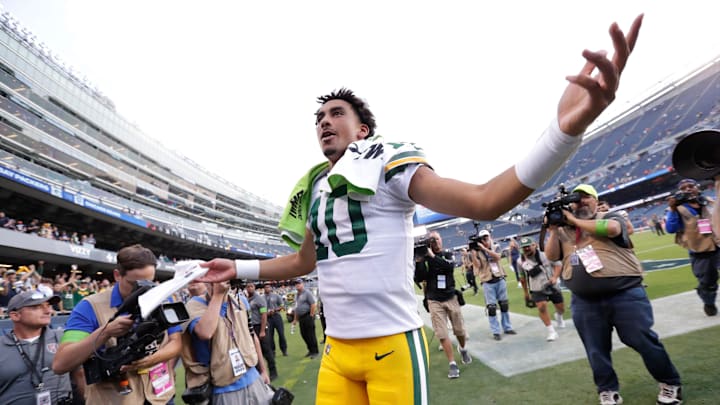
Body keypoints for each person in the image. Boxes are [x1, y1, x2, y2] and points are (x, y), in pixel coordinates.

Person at [197, 16, 643, 404]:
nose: (325, 122)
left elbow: (485, 200)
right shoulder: (314, 188)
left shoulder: (387, 163)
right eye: (319, 119)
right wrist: (235, 267)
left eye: (336, 113)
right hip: (336, 350)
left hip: (390, 344)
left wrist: (563, 132)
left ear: (363, 129)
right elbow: (303, 261)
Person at [545, 184, 682, 405]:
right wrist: (553, 230)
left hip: (624, 293)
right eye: (575, 200)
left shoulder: (611, 215)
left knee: (643, 340)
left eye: (585, 198)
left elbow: (612, 230)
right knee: (596, 349)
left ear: (595, 200)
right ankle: (607, 389)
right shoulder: (563, 229)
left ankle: (669, 382)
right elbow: (552, 256)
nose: (579, 202)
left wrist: (574, 221)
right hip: (584, 301)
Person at [53, 244, 182, 404]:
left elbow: (176, 342)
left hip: (160, 396)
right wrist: (105, 332)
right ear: (117, 275)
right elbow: (61, 363)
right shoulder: (89, 307)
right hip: (114, 398)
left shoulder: (163, 300)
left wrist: (152, 359)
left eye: (149, 283)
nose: (143, 291)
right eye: (135, 285)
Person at [180, 281, 272, 404]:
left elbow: (251, 335)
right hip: (223, 386)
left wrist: (263, 370)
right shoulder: (194, 305)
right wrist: (218, 295)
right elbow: (205, 332)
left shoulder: (239, 301)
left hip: (252, 377)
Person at [0, 289, 78, 404]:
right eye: (36, 307)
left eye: (48, 306)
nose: (48, 311)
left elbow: (80, 377)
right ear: (15, 315)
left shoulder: (64, 338)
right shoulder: (2, 346)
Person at [414, 231, 472, 379]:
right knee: (441, 332)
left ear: (441, 240)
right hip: (434, 299)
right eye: (432, 241)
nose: (435, 243)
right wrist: (420, 260)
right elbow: (419, 278)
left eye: (437, 239)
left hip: (451, 297)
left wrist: (431, 256)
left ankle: (463, 349)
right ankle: (452, 363)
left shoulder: (447, 254)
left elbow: (448, 268)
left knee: (459, 330)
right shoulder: (425, 258)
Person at [665, 178, 719, 316]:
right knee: (708, 283)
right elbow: (671, 229)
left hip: (718, 243)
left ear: (698, 187)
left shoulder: (709, 202)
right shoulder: (678, 209)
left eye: (691, 186)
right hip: (701, 251)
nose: (688, 189)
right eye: (683, 188)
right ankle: (709, 302)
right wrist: (672, 209)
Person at [517, 236, 566, 342]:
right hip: (537, 288)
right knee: (541, 307)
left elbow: (558, 265)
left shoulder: (546, 255)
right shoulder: (520, 262)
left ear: (534, 245)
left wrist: (555, 277)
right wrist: (525, 293)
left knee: (561, 308)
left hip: (552, 285)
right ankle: (551, 331)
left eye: (528, 246)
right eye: (524, 247)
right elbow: (522, 278)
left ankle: (559, 316)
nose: (526, 249)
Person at [470, 229, 516, 340]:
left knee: (504, 304)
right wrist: (473, 254)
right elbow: (478, 266)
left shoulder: (496, 246)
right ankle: (496, 331)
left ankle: (507, 327)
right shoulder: (477, 251)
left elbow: (497, 257)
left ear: (490, 237)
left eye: (486, 237)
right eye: (483, 238)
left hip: (499, 278)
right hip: (487, 281)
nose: (485, 240)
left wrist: (485, 248)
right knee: (491, 307)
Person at [246, 282, 278, 380]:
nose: (249, 288)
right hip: (252, 327)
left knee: (266, 350)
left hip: (260, 326)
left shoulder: (259, 299)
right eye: (247, 287)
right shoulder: (247, 299)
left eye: (251, 286)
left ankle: (273, 372)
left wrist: (262, 330)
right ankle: (259, 373)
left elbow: (264, 315)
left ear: (254, 287)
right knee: (255, 352)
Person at [291, 279, 319, 359]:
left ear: (302, 284)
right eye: (296, 284)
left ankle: (315, 351)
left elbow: (313, 304)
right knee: (304, 335)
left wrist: (311, 315)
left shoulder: (307, 293)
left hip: (307, 316)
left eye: (299, 283)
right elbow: (297, 308)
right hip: (301, 318)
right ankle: (310, 350)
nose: (297, 285)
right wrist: (295, 319)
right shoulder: (297, 295)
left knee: (311, 335)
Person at [263, 283, 288, 357]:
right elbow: (260, 308)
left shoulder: (276, 296)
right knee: (270, 336)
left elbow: (282, 305)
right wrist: (265, 313)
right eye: (266, 287)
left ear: (271, 288)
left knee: (281, 334)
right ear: (264, 288)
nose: (267, 288)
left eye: (268, 287)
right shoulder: (261, 298)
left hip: (276, 316)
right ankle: (273, 351)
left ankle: (284, 350)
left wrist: (275, 310)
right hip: (268, 318)